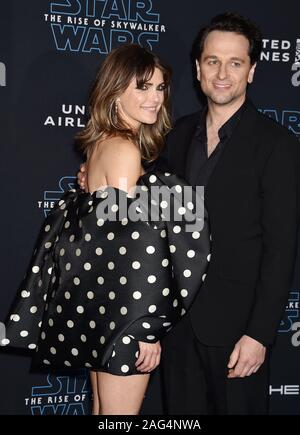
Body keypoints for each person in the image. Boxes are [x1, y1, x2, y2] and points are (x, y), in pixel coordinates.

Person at [78, 13, 300, 415]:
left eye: (235, 63)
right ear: (198, 68)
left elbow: (282, 249)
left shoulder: (278, 145)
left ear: (251, 71)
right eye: (213, 61)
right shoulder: (172, 135)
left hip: (236, 332)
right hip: (175, 328)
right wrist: (93, 181)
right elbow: (136, 206)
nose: (222, 73)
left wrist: (259, 334)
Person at [3, 44, 210, 415]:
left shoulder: (101, 145)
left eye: (160, 88)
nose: (155, 99)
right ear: (114, 91)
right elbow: (130, 251)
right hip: (125, 318)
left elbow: (99, 240)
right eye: (142, 88)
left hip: (104, 313)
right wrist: (147, 328)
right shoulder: (126, 151)